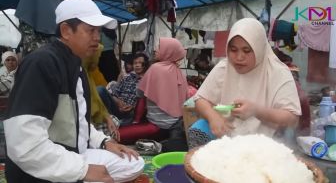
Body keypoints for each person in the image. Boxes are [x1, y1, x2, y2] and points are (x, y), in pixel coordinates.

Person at [4, 0, 144, 183]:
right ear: (66, 30)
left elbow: (80, 121)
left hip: (74, 153)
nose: (97, 37)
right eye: (91, 30)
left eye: (99, 31)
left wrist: (105, 142)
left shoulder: (76, 66)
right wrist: (83, 170)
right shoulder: (42, 64)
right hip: (36, 170)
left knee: (134, 162)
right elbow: (24, 146)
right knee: (101, 176)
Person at [188, 18, 301, 148]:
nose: (239, 57)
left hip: (266, 143)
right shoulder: (225, 67)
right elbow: (200, 99)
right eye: (233, 50)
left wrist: (256, 111)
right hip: (227, 138)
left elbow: (292, 118)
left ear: (259, 48)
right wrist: (214, 117)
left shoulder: (278, 73)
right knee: (197, 130)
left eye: (247, 51)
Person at [120, 38, 188, 145]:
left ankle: (136, 121)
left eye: (159, 47)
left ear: (168, 51)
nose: (156, 50)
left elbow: (140, 93)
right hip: (176, 125)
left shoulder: (155, 68)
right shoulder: (179, 72)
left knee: (118, 135)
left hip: (156, 125)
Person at [98, 52, 149, 125]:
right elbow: (114, 93)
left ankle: (115, 121)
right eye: (135, 63)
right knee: (100, 89)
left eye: (140, 63)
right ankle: (111, 119)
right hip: (117, 107)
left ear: (146, 65)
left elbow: (145, 102)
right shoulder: (127, 77)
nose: (137, 65)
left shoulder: (147, 80)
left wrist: (133, 106)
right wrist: (118, 102)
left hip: (129, 111)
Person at [82, 43, 120, 141]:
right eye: (97, 57)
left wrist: (107, 117)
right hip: (85, 122)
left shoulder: (88, 73)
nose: (98, 60)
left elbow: (97, 103)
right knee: (101, 90)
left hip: (96, 117)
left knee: (114, 121)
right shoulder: (80, 74)